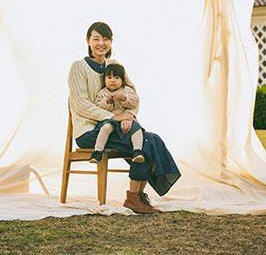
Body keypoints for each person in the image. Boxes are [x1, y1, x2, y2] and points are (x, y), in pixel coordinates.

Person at [67, 21, 181, 214]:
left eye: (105, 39)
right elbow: (81, 105)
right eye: (96, 39)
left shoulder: (115, 66)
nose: (101, 43)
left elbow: (132, 97)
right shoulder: (78, 67)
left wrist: (128, 117)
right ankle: (134, 198)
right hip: (89, 133)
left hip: (118, 127)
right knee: (145, 141)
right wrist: (115, 116)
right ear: (87, 41)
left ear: (111, 42)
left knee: (151, 139)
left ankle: (135, 196)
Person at [91, 63, 145, 164]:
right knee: (105, 128)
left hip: (126, 120)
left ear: (122, 80)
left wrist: (124, 98)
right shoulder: (102, 93)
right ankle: (98, 151)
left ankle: (137, 150)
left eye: (116, 77)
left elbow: (135, 101)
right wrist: (107, 102)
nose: (112, 80)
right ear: (104, 80)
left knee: (136, 128)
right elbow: (98, 106)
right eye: (109, 77)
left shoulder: (126, 90)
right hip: (111, 120)